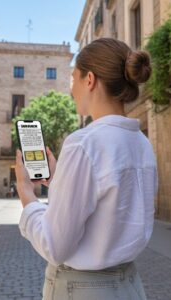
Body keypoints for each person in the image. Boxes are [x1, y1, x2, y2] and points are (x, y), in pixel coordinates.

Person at [15, 38, 158, 300]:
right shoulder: (142, 143)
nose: (72, 90)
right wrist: (61, 179)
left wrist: (27, 196)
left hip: (82, 290)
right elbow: (107, 205)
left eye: (73, 78)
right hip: (129, 286)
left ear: (89, 79)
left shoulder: (83, 143)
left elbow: (54, 245)